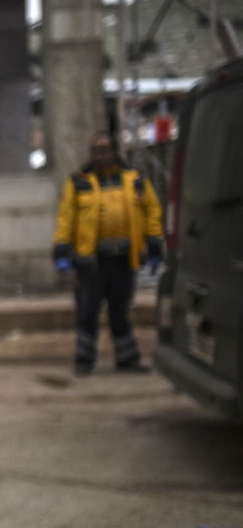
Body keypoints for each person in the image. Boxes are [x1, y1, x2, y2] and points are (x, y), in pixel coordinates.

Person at [52, 133, 163, 375]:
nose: (100, 155)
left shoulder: (135, 181)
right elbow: (66, 218)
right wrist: (61, 251)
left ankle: (127, 358)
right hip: (91, 262)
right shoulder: (78, 183)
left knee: (120, 310)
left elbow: (151, 212)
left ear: (114, 152)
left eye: (105, 150)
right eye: (95, 150)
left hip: (123, 259)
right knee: (88, 311)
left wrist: (155, 247)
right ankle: (84, 359)